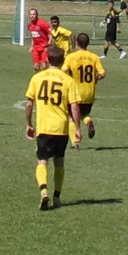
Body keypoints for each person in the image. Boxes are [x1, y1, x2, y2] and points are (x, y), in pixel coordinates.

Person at [25, 42, 76, 210]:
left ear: (47, 59)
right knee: (59, 161)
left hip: (44, 127)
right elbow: (74, 106)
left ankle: (43, 191)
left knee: (42, 161)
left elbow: (29, 105)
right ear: (62, 61)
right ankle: (57, 197)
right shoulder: (68, 80)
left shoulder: (37, 78)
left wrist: (29, 124)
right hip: (61, 127)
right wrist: (76, 127)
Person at [62, 30, 106, 145]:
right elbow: (102, 73)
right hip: (89, 94)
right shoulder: (94, 57)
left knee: (71, 117)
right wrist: (95, 79)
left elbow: (63, 71)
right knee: (84, 114)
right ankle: (89, 122)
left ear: (77, 43)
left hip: (75, 93)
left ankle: (75, 143)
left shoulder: (71, 57)